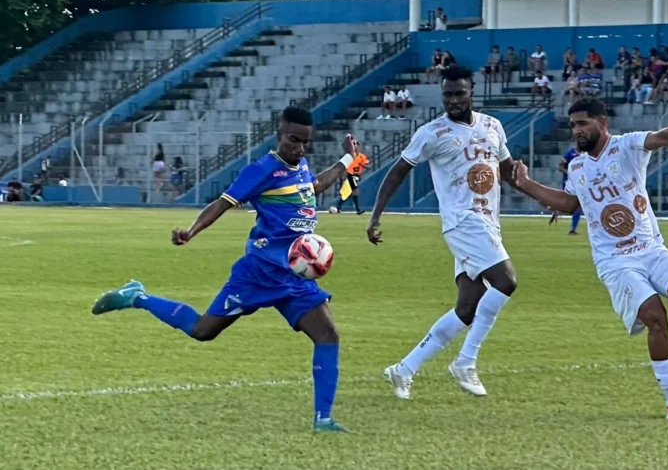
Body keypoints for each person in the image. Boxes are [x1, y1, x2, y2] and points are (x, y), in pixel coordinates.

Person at [90, 106, 357, 432]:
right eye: (293, 140)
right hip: (258, 272)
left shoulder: (299, 165)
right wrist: (191, 230)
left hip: (294, 276)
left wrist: (346, 162)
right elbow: (222, 203)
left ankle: (323, 420)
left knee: (328, 335)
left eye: (304, 142)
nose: (299, 148)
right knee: (203, 330)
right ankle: (138, 297)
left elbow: (313, 187)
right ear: (279, 133)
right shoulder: (261, 170)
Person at [511, 98, 668, 421]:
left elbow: (662, 136)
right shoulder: (576, 166)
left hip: (651, 249)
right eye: (573, 125)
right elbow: (570, 203)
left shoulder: (627, 146)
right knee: (655, 317)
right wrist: (526, 184)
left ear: (602, 124)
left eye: (582, 123)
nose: (576, 130)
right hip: (615, 262)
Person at [367, 65, 523, 399]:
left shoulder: (493, 126)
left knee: (467, 309)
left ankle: (403, 369)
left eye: (459, 93)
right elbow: (397, 172)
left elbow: (510, 171)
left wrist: (542, 195)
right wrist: (376, 215)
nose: (452, 100)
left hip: (488, 222)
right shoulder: (431, 133)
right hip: (462, 222)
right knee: (506, 281)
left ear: (472, 92)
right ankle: (466, 361)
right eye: (447, 94)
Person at [550, 144, 582, 234]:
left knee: (578, 206)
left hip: (580, 183)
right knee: (568, 203)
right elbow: (560, 165)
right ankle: (555, 210)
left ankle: (573, 229)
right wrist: (568, 173)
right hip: (569, 183)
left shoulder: (585, 155)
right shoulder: (571, 153)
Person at [337, 141, 368, 215]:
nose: (355, 145)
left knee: (349, 192)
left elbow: (368, 166)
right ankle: (357, 210)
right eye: (353, 144)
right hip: (350, 175)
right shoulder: (349, 156)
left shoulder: (362, 156)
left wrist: (362, 165)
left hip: (356, 175)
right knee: (354, 191)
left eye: (356, 144)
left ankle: (338, 207)